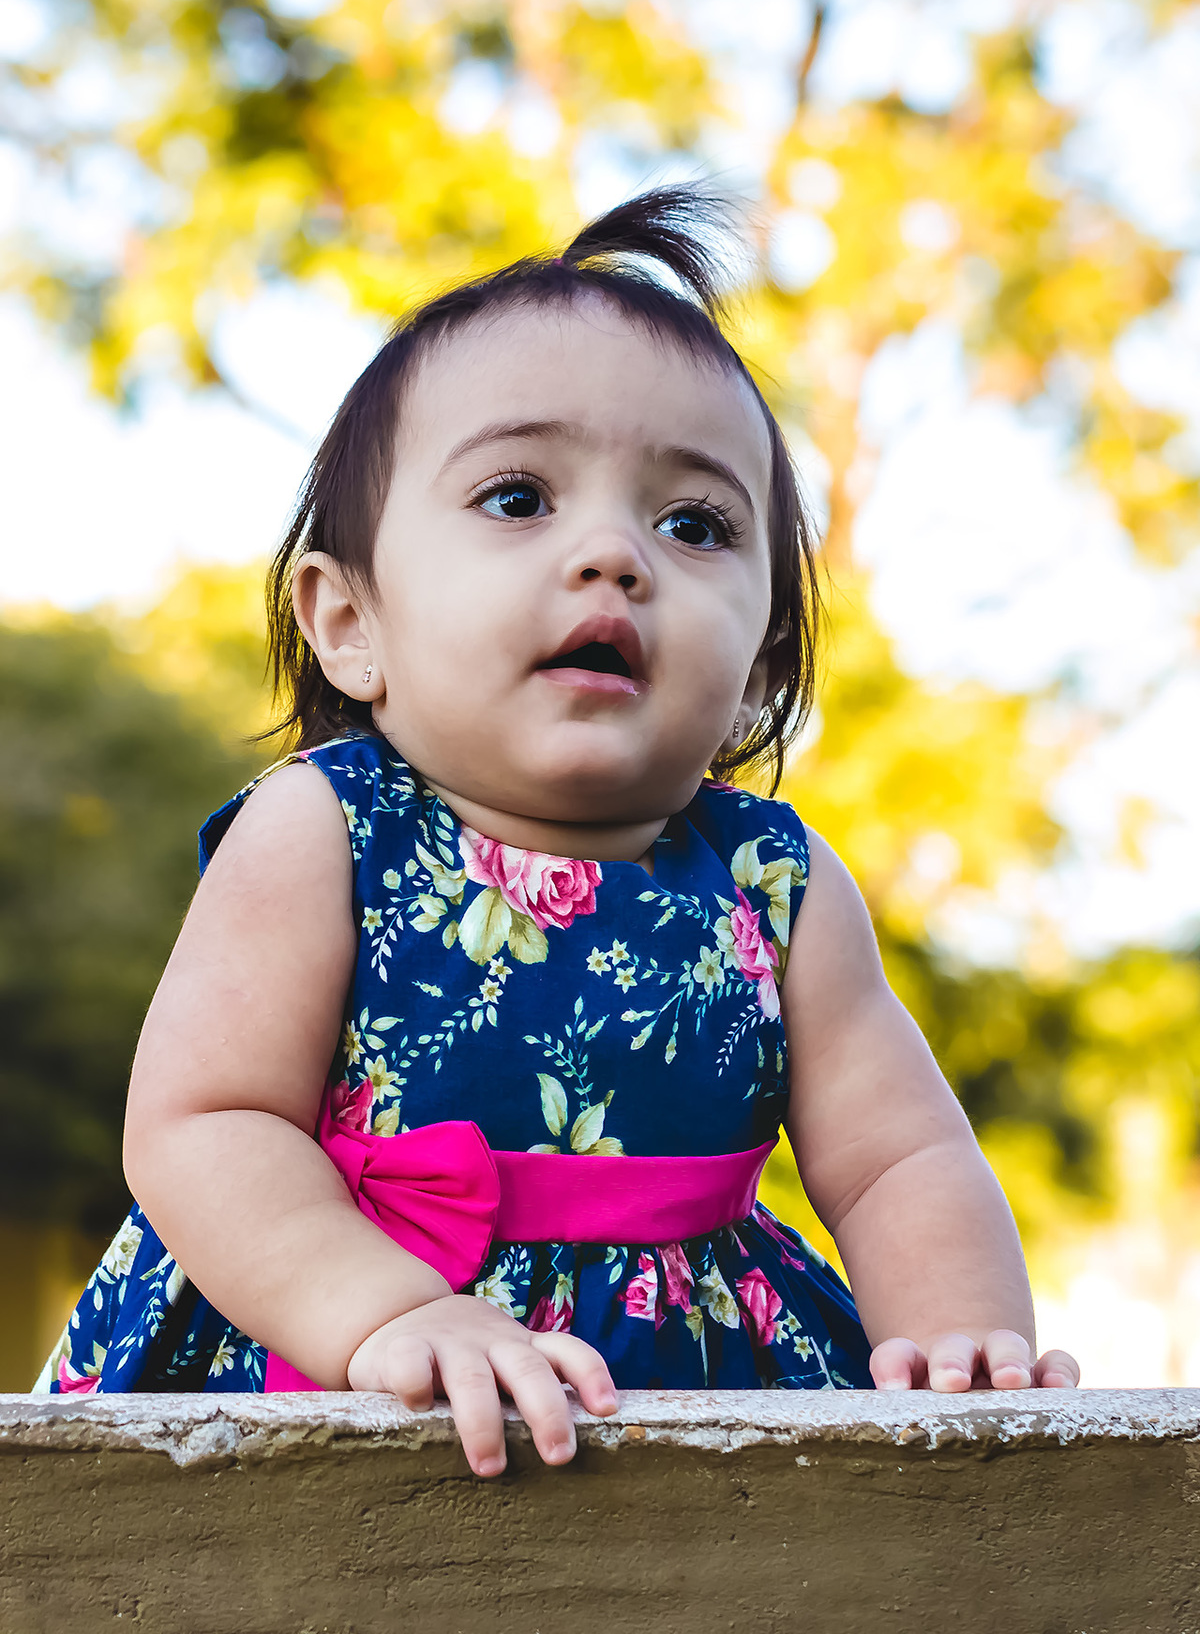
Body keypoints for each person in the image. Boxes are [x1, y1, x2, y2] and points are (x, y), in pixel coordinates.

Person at [38, 186, 1078, 1476]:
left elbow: (897, 1159)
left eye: (693, 524)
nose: (614, 555)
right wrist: (388, 1315)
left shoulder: (775, 884)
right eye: (519, 496)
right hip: (332, 1366)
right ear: (350, 623)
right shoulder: (326, 829)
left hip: (687, 1400)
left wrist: (959, 1338)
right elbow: (205, 1123)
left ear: (758, 674)